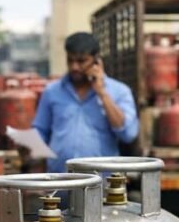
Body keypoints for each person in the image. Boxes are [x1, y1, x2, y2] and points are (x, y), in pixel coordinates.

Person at [33, 32, 139, 174]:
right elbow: (40, 130)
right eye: (70, 61)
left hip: (101, 183)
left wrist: (102, 93)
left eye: (81, 61)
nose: (74, 67)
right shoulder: (52, 91)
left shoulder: (119, 91)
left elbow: (128, 134)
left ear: (97, 61)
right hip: (60, 182)